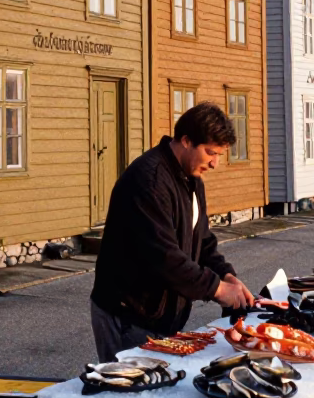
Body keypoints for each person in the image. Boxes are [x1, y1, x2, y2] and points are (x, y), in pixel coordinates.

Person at [90, 103, 254, 362]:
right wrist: (217, 289)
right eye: (211, 153)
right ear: (187, 141)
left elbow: (202, 241)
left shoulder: (191, 179)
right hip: (129, 315)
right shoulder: (149, 180)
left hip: (159, 315)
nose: (215, 163)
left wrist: (226, 274)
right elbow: (164, 257)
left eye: (219, 155)